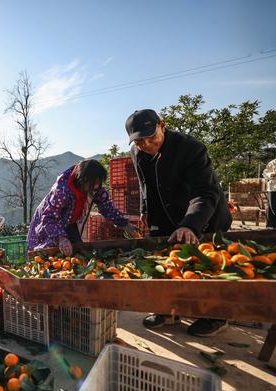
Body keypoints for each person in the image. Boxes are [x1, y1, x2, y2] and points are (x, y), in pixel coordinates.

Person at [126, 109, 232, 337]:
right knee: (164, 261)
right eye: (139, 140)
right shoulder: (137, 151)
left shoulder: (190, 148)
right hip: (165, 213)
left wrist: (190, 224)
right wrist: (145, 213)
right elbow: (146, 186)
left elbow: (205, 191)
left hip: (204, 214)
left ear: (162, 125)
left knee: (206, 264)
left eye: (150, 136)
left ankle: (215, 316)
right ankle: (168, 311)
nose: (146, 144)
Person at [27, 159, 139, 255]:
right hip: (49, 224)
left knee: (78, 251)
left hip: (70, 222)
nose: (97, 186)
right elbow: (49, 218)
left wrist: (124, 223)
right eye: (94, 184)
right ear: (82, 180)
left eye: (98, 183)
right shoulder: (62, 191)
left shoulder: (94, 185)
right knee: (49, 254)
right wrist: (61, 238)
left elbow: (105, 205)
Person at [263, 146, 276, 229]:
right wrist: (271, 174)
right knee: (272, 208)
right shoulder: (273, 163)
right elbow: (265, 173)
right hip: (274, 188)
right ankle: (270, 227)